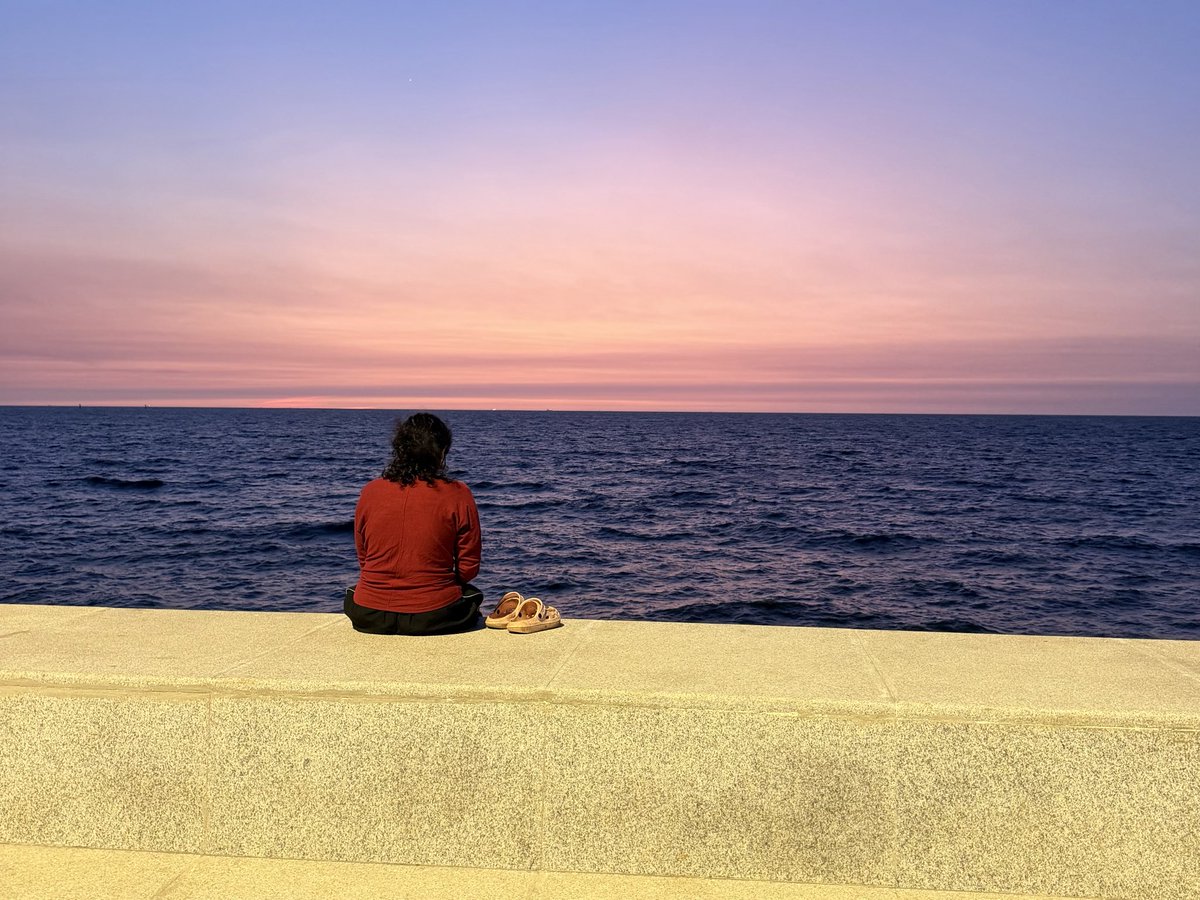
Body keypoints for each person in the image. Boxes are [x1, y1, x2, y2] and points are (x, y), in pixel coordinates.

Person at [344, 413, 483, 635]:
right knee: (472, 595)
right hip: (433, 615)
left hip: (368, 614)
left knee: (354, 591)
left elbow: (364, 556)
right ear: (442, 452)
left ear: (399, 450)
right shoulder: (458, 493)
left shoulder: (371, 491)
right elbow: (468, 568)